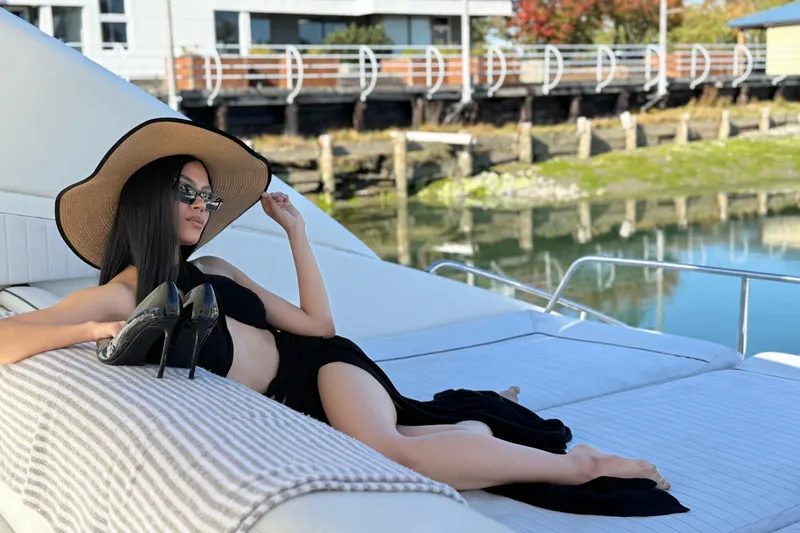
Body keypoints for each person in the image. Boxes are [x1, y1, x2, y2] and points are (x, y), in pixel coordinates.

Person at [0, 118, 686, 517]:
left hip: (321, 368)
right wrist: (89, 333)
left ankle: (579, 464)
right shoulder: (123, 296)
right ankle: (472, 423)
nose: (201, 208)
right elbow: (6, 337)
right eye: (186, 193)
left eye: (207, 198)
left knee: (394, 447)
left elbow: (319, 329)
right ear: (149, 201)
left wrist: (296, 231)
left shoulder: (217, 272)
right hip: (287, 401)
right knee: (422, 431)